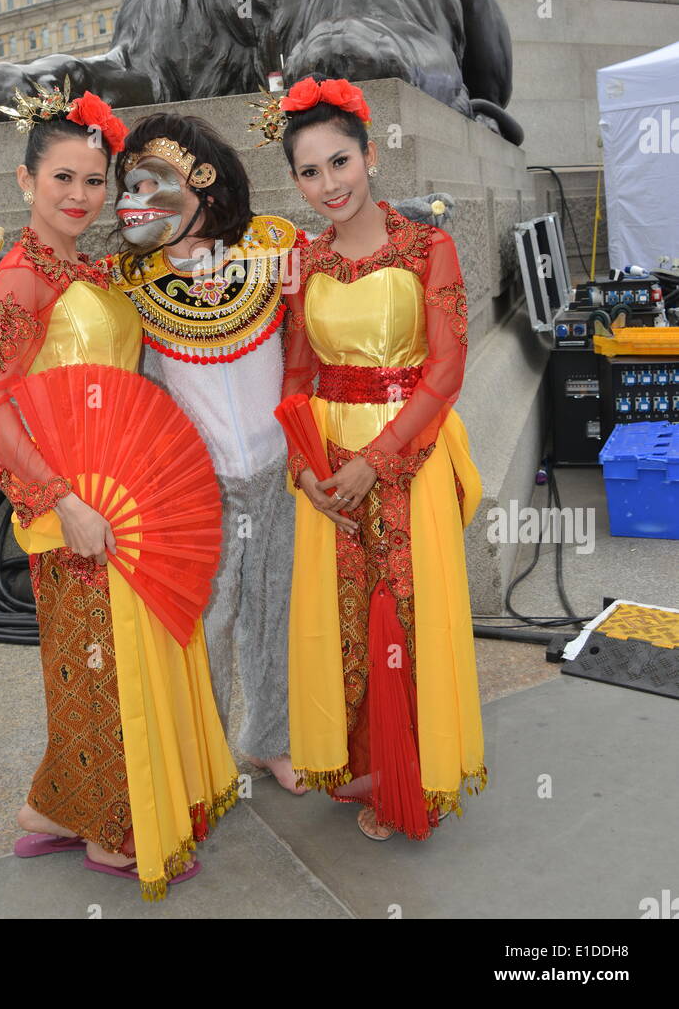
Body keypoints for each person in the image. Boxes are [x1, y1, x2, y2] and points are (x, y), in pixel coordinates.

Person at [0, 80, 238, 899]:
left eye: (93, 182)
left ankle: (54, 805)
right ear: (24, 183)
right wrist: (57, 500)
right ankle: (115, 826)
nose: (81, 196)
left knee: (107, 662)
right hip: (75, 504)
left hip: (125, 495)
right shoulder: (20, 281)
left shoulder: (91, 266)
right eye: (62, 180)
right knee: (99, 663)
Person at [263, 73, 487, 841]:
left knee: (407, 611)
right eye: (309, 170)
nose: (328, 183)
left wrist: (377, 461)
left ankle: (413, 773)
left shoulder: (430, 246)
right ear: (294, 180)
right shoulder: (305, 266)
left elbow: (445, 372)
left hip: (407, 460)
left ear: (370, 157)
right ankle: (365, 760)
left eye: (340, 162)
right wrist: (304, 469)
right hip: (327, 470)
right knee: (346, 619)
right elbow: (296, 376)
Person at [110, 113, 305, 793]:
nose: (139, 200)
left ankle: (269, 741)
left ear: (207, 188)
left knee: (272, 611)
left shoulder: (276, 248)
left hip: (277, 470)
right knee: (208, 623)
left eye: (156, 184)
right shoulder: (127, 283)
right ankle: (207, 756)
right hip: (201, 485)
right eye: (131, 186)